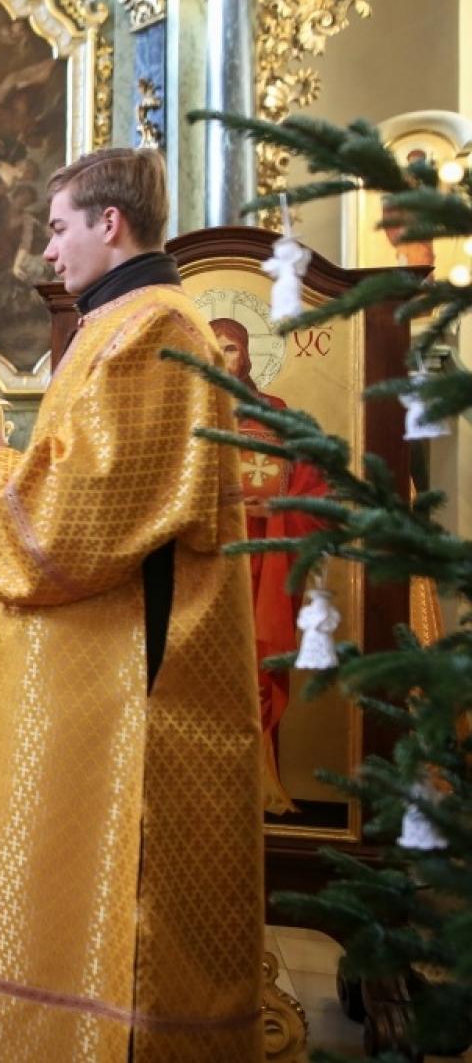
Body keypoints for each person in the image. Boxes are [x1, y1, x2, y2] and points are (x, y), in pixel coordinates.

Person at [0, 147, 263, 1060]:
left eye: (58, 228)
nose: (49, 250)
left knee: (122, 891)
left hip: (128, 685)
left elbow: (89, 512)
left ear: (109, 223)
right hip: (88, 667)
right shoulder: (117, 323)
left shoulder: (154, 329)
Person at [210, 317, 324, 814]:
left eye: (231, 349)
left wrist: (274, 509)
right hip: (205, 565)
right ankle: (200, 793)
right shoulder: (186, 413)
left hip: (264, 562)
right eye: (212, 349)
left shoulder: (279, 419)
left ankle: (260, 787)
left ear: (247, 355)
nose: (222, 359)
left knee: (255, 672)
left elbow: (317, 494)